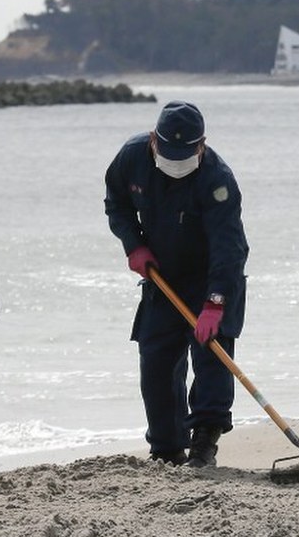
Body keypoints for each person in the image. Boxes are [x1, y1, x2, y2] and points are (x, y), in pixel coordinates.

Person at [105, 101, 248, 468]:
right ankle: (167, 448)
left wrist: (215, 303)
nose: (176, 164)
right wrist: (133, 244)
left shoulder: (218, 179)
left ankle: (204, 442)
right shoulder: (132, 158)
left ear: (201, 145)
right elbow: (116, 203)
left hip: (211, 277)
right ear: (154, 140)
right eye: (169, 154)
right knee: (157, 360)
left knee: (212, 358)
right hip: (162, 276)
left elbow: (229, 248)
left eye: (185, 156)